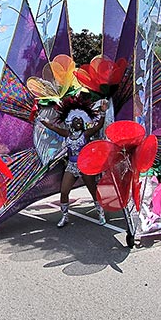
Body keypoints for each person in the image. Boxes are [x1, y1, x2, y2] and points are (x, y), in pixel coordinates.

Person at [38, 96, 107, 227]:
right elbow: (52, 128)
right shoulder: (67, 134)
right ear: (71, 122)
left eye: (81, 120)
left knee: (93, 190)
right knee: (64, 191)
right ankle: (65, 216)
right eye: (76, 120)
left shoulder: (86, 134)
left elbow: (99, 126)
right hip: (71, 166)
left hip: (85, 166)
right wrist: (40, 118)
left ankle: (101, 213)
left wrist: (103, 112)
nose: (78, 122)